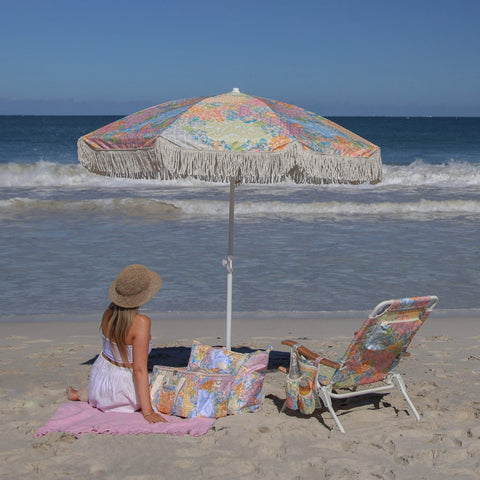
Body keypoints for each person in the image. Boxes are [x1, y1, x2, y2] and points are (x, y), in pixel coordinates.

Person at [67, 264, 166, 423]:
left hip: (99, 381)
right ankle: (83, 395)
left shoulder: (108, 314)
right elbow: (139, 370)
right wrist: (147, 412)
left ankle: (80, 394)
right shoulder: (141, 322)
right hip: (122, 392)